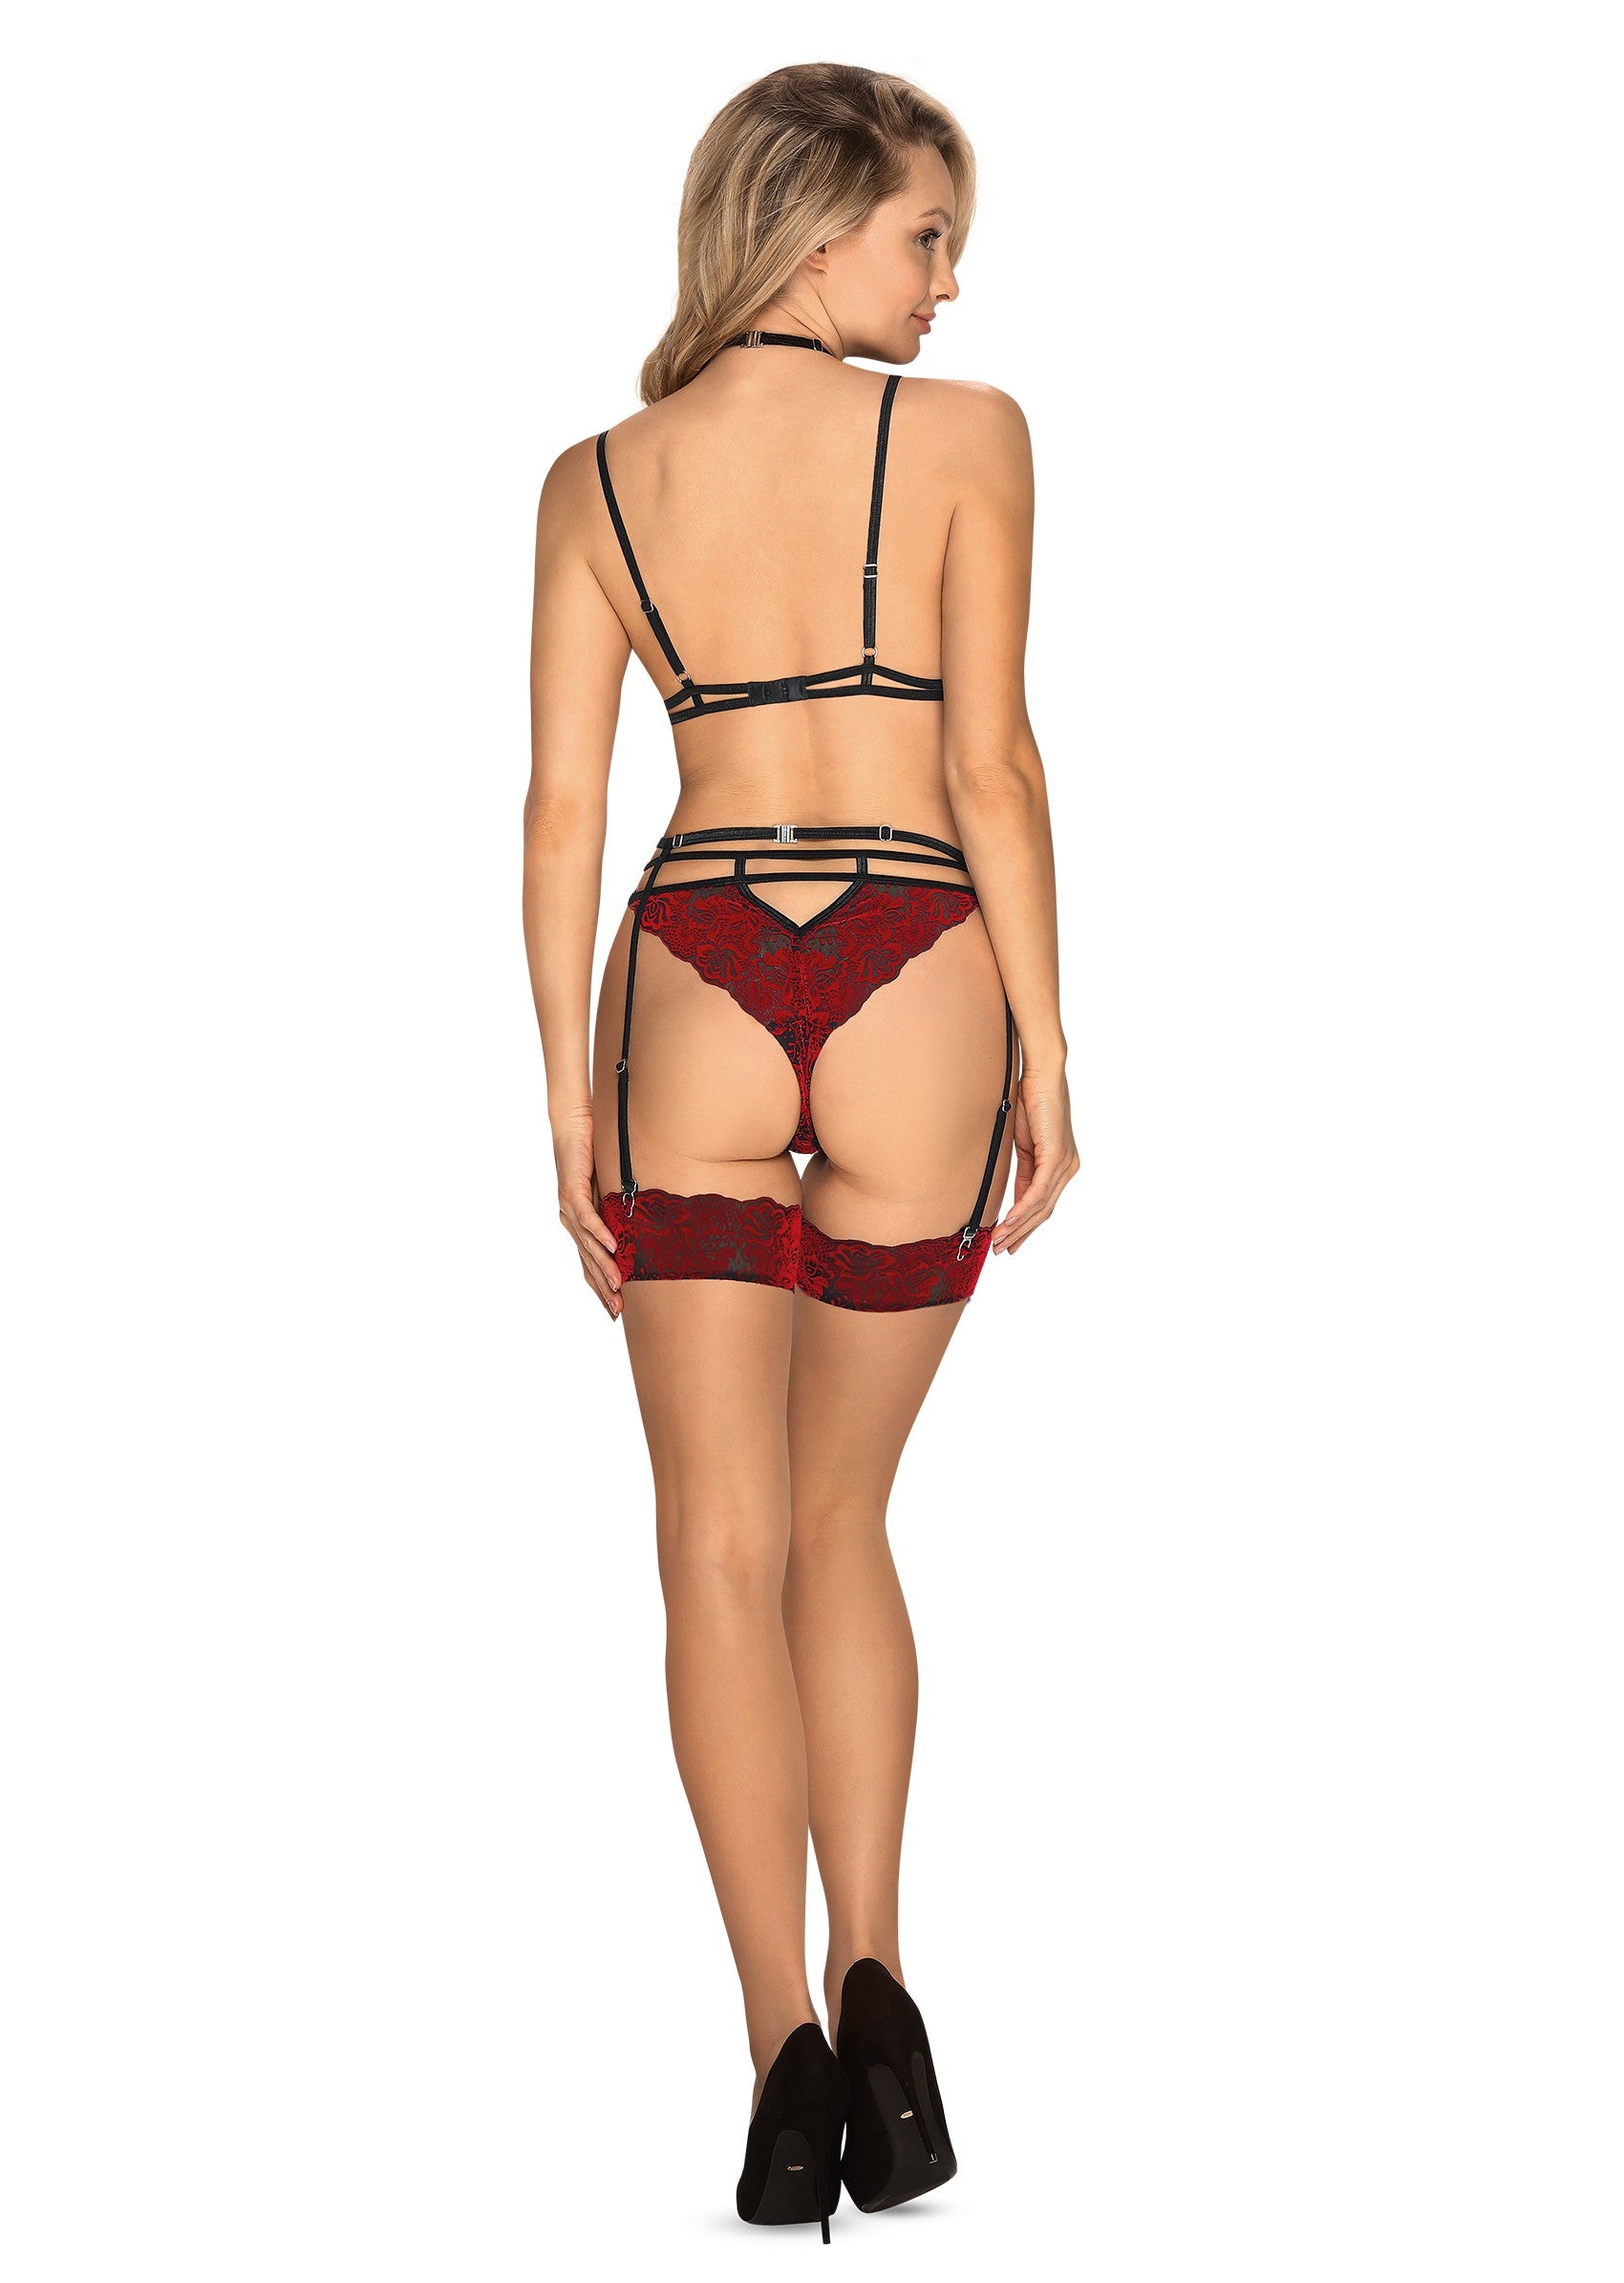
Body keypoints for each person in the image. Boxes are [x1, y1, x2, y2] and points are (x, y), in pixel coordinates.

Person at [524, 60, 1076, 2237]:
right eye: (927, 235)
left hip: (694, 968)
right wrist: (1047, 1040)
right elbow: (993, 761)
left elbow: (565, 812)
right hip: (920, 957)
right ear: (818, 222)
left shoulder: (598, 480)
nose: (948, 284)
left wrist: (568, 1098)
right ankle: (881, 1979)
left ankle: (777, 2054)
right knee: (843, 1516)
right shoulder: (969, 439)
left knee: (714, 1544)